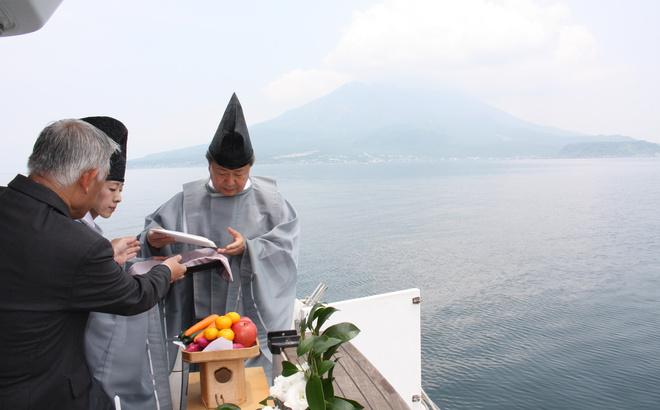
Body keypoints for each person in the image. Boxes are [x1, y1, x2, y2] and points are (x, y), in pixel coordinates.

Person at [0, 119, 187, 410]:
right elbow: (133, 296)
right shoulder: (78, 244)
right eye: (105, 184)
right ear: (88, 179)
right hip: (42, 393)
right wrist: (165, 271)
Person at [138, 93, 300, 382]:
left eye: (239, 173)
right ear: (209, 166)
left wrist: (249, 248)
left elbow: (286, 247)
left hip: (247, 307)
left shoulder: (272, 201)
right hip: (198, 308)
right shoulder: (186, 200)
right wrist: (152, 240)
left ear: (250, 168)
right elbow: (152, 232)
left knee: (253, 380)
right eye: (222, 173)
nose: (230, 182)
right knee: (205, 372)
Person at [78, 116, 174, 410]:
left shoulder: (82, 230)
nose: (119, 198)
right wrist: (164, 273)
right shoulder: (75, 234)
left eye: (121, 189)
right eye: (112, 188)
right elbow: (117, 297)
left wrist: (114, 257)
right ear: (89, 181)